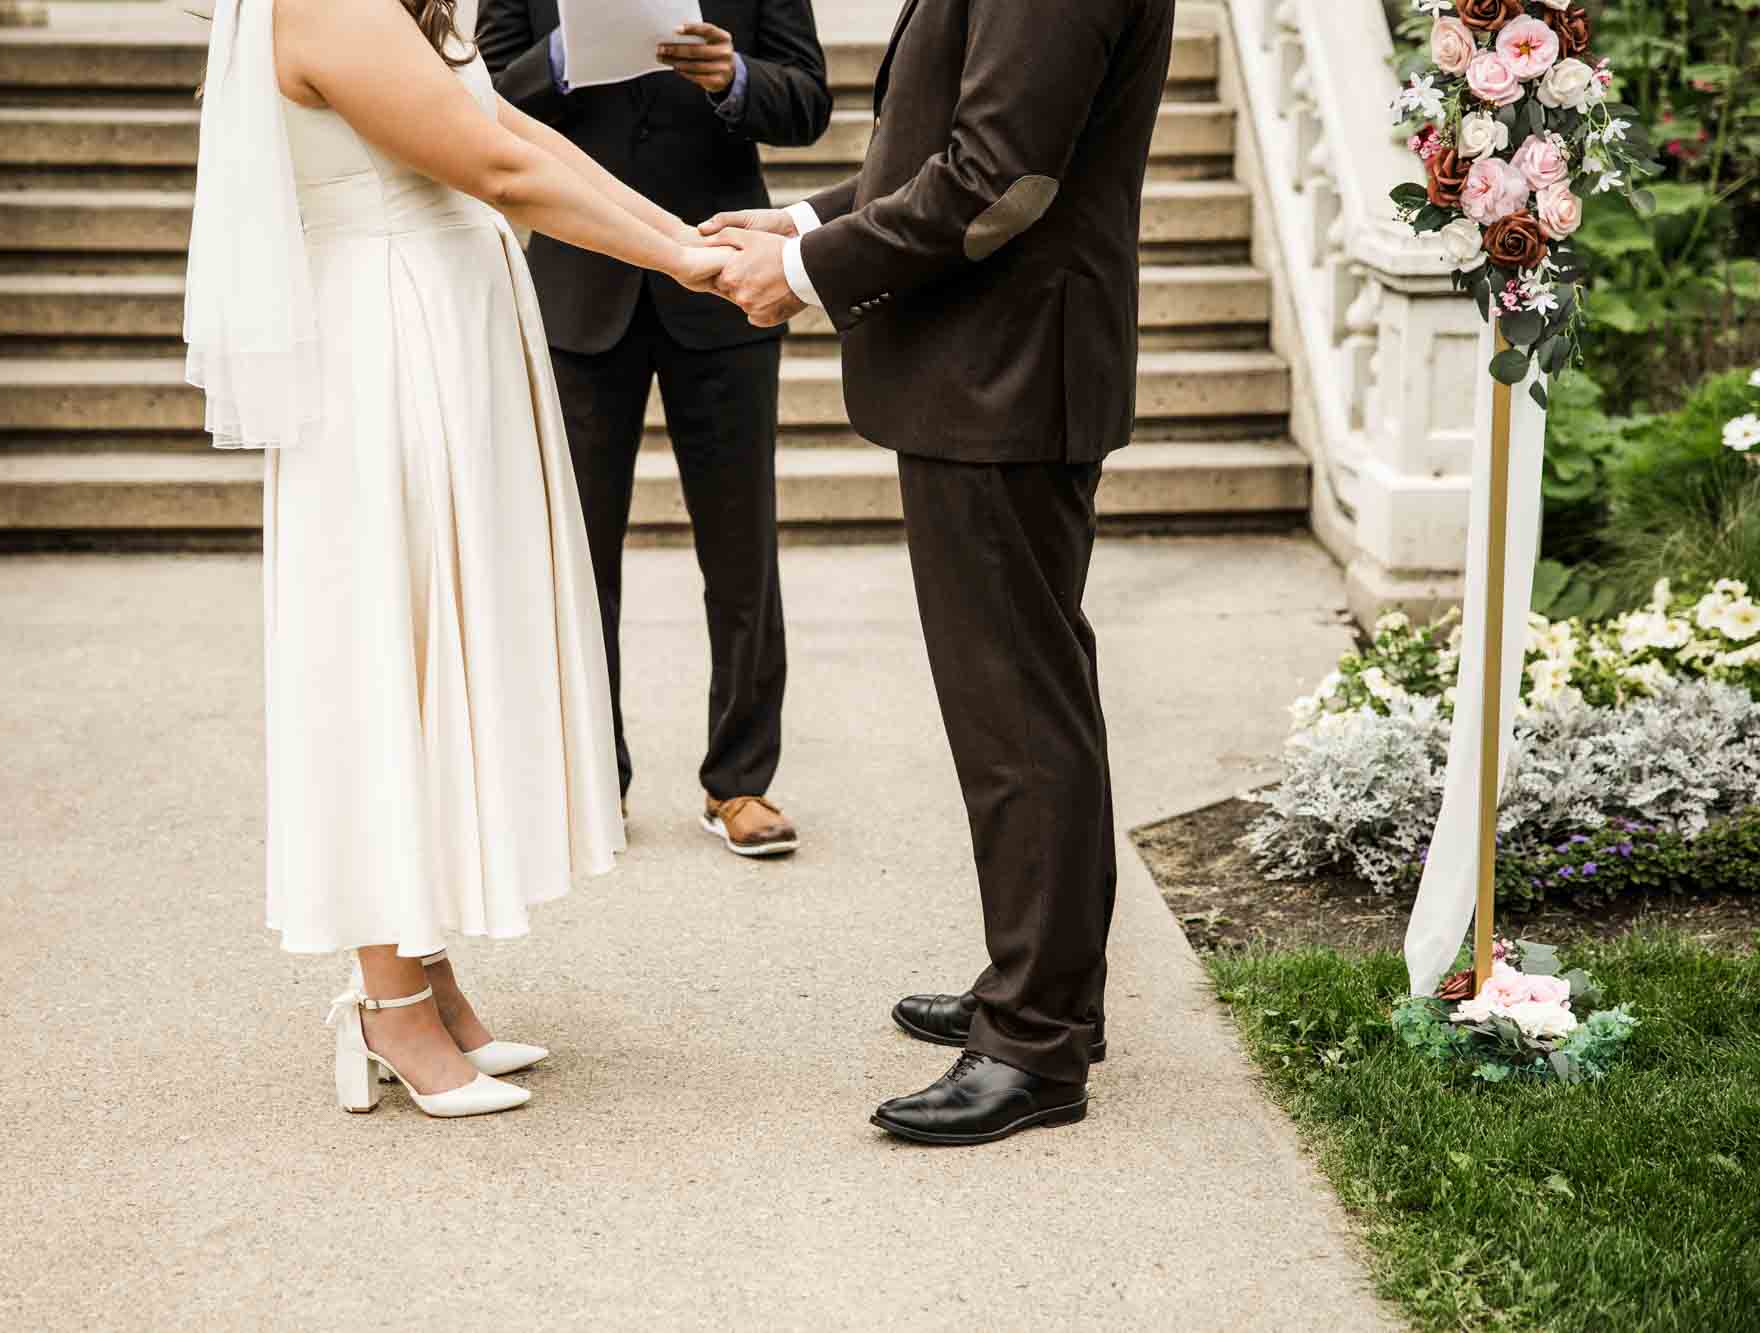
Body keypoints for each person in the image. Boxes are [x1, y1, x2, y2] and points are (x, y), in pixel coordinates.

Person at [185, 0, 728, 1119]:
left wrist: (687, 235)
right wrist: (683, 260)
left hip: (437, 333)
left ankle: (425, 972)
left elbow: (528, 139)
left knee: (436, 654)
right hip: (383, 357)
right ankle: (384, 1001)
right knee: (390, 649)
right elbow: (494, 165)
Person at [703, 0, 1179, 1145]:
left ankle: (1034, 1044)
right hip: (994, 372)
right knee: (1027, 703)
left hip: (1007, 377)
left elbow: (996, 181)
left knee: (1018, 715)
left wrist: (810, 270)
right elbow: (951, 139)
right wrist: (804, 214)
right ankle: (1043, 987)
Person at [476, 0, 831, 858]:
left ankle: (741, 780)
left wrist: (734, 79)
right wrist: (564, 57)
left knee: (742, 547)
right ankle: (593, 776)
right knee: (579, 551)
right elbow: (478, 98)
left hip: (723, 277)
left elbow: (809, 101)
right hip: (578, 285)